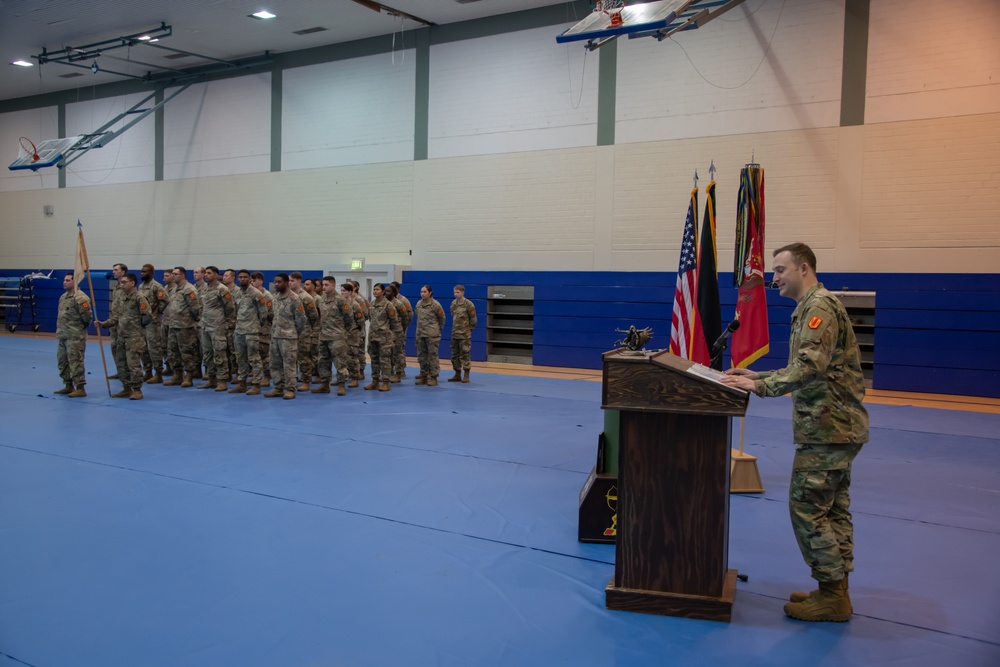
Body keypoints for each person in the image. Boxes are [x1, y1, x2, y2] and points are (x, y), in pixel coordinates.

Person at [721, 242, 869, 623]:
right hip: (833, 428)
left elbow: (808, 369)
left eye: (781, 270)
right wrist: (759, 375)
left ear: (804, 268)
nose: (774, 279)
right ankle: (834, 591)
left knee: (806, 508)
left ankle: (833, 594)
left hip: (828, 429)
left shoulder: (818, 307)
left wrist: (760, 387)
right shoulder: (813, 306)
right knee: (832, 509)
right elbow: (806, 367)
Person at [96, 272, 151, 399]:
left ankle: (137, 389)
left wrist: (136, 328)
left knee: (133, 365)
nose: (122, 284)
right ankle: (126, 388)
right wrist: (104, 324)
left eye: (124, 282)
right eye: (121, 282)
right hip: (121, 336)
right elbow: (116, 317)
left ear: (132, 283)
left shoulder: (139, 298)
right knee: (121, 364)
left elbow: (147, 316)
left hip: (134, 337)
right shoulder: (121, 298)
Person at [314, 276, 358, 396]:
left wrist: (343, 332)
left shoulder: (341, 300)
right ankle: (324, 384)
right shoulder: (321, 299)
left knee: (340, 362)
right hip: (323, 336)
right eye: (323, 285)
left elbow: (349, 318)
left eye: (326, 285)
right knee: (323, 361)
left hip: (337, 336)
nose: (324, 287)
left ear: (333, 285)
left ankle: (341, 385)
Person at [265, 273, 306, 399]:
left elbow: (301, 319)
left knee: (289, 364)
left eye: (279, 282)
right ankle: (278, 388)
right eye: (275, 282)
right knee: (275, 364)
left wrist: (293, 333)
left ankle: (290, 389)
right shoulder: (275, 297)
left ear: (287, 283)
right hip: (275, 336)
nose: (277, 284)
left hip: (289, 337)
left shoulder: (294, 298)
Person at [54, 272, 92, 398]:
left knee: (75, 362)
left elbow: (87, 318)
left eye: (68, 280)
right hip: (63, 335)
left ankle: (80, 387)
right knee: (62, 362)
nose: (64, 282)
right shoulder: (63, 297)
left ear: (74, 282)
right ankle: (68, 385)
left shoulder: (81, 298)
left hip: (75, 336)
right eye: (64, 280)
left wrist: (77, 329)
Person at [163, 267, 202, 388]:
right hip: (173, 325)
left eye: (175, 274)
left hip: (185, 326)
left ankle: (189, 376)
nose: (173, 276)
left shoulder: (189, 289)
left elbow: (195, 309)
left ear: (182, 276)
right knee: (173, 352)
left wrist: (191, 322)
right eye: (172, 274)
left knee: (187, 352)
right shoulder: (175, 289)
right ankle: (177, 375)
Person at [198, 266, 235, 391]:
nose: (206, 275)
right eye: (205, 273)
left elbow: (230, 308)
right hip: (205, 326)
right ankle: (211, 379)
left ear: (215, 275)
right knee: (207, 354)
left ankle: (222, 380)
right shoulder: (204, 289)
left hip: (217, 326)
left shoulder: (222, 289)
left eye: (209, 273)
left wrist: (222, 320)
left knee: (219, 354)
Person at [137, 263, 169, 384]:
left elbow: (165, 300)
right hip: (142, 322)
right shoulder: (140, 287)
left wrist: (157, 311)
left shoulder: (156, 286)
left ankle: (158, 373)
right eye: (141, 271)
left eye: (144, 272)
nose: (142, 274)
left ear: (151, 273)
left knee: (154, 348)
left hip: (153, 322)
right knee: (143, 348)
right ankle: (148, 371)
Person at [289, 271, 319, 392]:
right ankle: (293, 379)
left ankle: (306, 380)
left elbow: (314, 316)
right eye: (289, 281)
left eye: (292, 281)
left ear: (298, 282)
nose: (290, 283)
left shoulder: (306, 297)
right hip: (290, 332)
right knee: (291, 358)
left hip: (304, 332)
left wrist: (306, 329)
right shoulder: (288, 295)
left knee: (304, 357)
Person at [365, 283, 396, 392]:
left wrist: (388, 334)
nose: (375, 291)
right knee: (374, 359)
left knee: (385, 360)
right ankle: (375, 381)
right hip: (373, 337)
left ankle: (386, 382)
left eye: (377, 289)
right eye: (374, 289)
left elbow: (394, 321)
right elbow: (370, 319)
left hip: (384, 338)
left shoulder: (388, 305)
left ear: (383, 292)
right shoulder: (372, 304)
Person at [414, 285, 445, 387]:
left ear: (430, 293)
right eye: (421, 291)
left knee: (432, 356)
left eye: (425, 292)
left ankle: (433, 377)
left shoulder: (435, 305)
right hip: (420, 334)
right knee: (422, 356)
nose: (422, 294)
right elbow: (417, 316)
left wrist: (436, 330)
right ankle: (424, 376)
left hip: (432, 335)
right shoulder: (419, 304)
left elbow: (442, 318)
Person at [449, 284, 477, 383]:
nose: (455, 294)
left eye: (458, 292)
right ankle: (457, 374)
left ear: (462, 292)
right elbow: (453, 314)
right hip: (455, 334)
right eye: (454, 292)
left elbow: (473, 320)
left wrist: (468, 331)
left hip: (464, 335)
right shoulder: (453, 304)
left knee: (465, 355)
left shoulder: (469, 304)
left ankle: (466, 374)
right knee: (454, 355)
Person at [251, 272, 274, 387]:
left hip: (264, 329)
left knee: (264, 355)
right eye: (251, 281)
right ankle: (257, 376)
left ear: (260, 281)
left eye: (254, 281)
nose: (252, 283)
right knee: (254, 355)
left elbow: (270, 314)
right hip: (252, 329)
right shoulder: (251, 294)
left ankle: (267, 377)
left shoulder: (267, 296)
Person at [383, 283, 405, 383]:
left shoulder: (398, 304)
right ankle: (387, 373)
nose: (386, 293)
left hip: (396, 332)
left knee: (397, 353)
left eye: (388, 291)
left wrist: (400, 328)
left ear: (394, 292)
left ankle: (398, 373)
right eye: (385, 291)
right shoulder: (383, 303)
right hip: (386, 332)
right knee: (387, 354)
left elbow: (406, 317)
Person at [390, 281, 413, 378]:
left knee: (399, 349)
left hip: (400, 329)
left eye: (393, 288)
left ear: (398, 289)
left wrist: (403, 327)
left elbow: (409, 315)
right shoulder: (388, 300)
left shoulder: (403, 300)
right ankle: (390, 368)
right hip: (389, 330)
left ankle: (401, 369)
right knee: (389, 349)